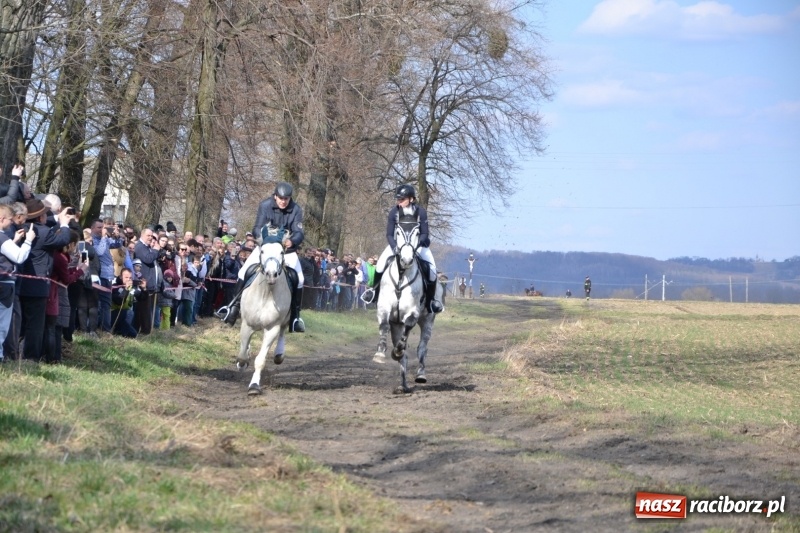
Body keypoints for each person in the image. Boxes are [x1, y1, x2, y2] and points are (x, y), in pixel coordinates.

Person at [217, 182, 307, 332]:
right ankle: (232, 308)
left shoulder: (296, 209)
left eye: (287, 198)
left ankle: (295, 317)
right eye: (281, 198)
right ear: (275, 196)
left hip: (286, 250)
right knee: (242, 272)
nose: (283, 201)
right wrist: (264, 240)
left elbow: (299, 231)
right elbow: (256, 227)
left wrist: (293, 241)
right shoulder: (265, 205)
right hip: (265, 248)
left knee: (300, 279)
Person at [361, 184, 443, 313]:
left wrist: (415, 247)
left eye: (402, 199)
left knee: (432, 271)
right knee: (380, 265)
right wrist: (394, 247)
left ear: (411, 199)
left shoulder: (420, 212)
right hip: (397, 246)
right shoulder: (394, 212)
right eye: (398, 199)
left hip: (420, 246)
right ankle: (374, 293)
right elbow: (389, 234)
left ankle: (431, 301)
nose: (399, 202)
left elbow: (424, 233)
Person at [0, 204, 36, 362]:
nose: (11, 222)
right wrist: (28, 241)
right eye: (9, 219)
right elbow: (19, 257)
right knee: (2, 323)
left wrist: (13, 241)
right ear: (1, 219)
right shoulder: (2, 237)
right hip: (5, 284)